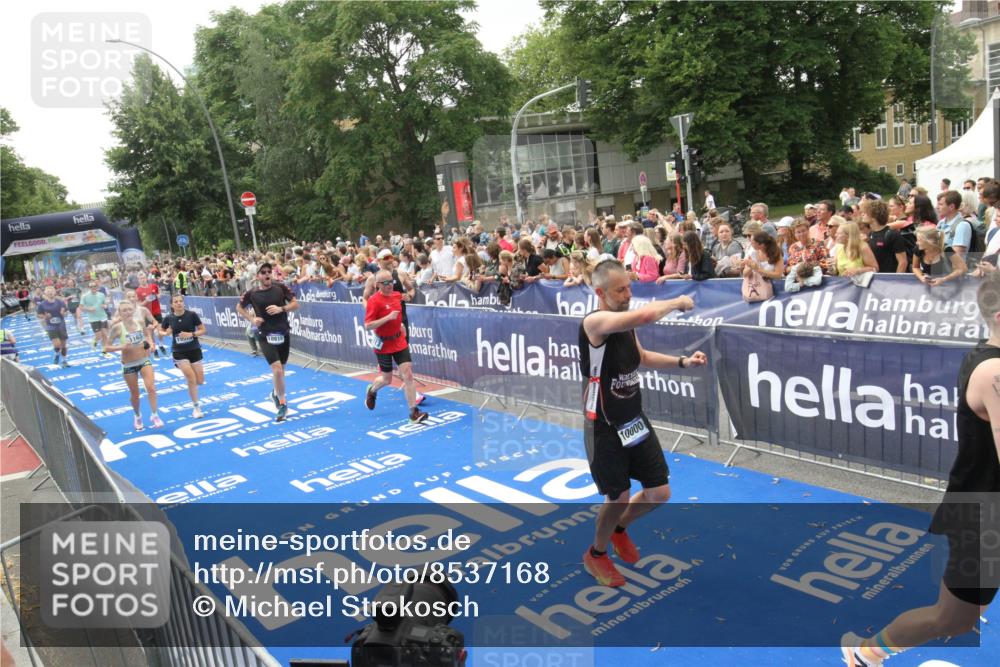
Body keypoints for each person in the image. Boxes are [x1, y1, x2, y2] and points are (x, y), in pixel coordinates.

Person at [841, 273, 1000, 667]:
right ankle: (865, 653)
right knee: (954, 618)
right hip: (984, 518)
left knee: (958, 617)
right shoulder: (992, 372)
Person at [579, 259, 707, 587]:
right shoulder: (596, 323)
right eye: (620, 289)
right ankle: (596, 553)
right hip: (604, 425)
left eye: (629, 287)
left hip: (632, 420)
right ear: (600, 292)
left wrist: (683, 362)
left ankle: (619, 530)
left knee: (659, 492)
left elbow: (643, 357)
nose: (628, 294)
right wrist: (677, 302)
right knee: (618, 495)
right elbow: (647, 314)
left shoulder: (625, 325)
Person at [364, 270, 428, 424]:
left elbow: (406, 299)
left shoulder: (396, 295)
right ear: (378, 285)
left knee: (408, 375)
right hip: (383, 344)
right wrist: (387, 318)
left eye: (391, 281)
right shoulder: (374, 301)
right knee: (387, 379)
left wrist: (400, 324)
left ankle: (414, 412)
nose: (389, 285)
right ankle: (372, 391)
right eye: (385, 283)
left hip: (399, 341)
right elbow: (368, 326)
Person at [237, 263, 299, 422]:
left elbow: (295, 304)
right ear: (257, 276)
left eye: (268, 272)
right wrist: (252, 319)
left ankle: (275, 394)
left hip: (283, 332)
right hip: (264, 334)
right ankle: (283, 404)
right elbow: (239, 307)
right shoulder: (252, 293)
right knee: (277, 370)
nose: (267, 275)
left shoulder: (280, 288)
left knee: (281, 371)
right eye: (263, 272)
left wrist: (281, 309)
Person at [105, 301, 162, 431]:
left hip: (143, 360)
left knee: (151, 388)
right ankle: (137, 415)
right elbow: (106, 347)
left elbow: (147, 335)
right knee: (135, 394)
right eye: (124, 310)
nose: (127, 312)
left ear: (133, 310)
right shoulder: (117, 328)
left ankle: (155, 415)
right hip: (128, 364)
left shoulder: (140, 322)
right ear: (120, 313)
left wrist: (151, 343)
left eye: (129, 309)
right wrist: (121, 347)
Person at [159, 293, 207, 419]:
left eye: (181, 301)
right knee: (190, 378)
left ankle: (194, 390)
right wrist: (165, 332)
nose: (179, 303)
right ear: (171, 304)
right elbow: (161, 331)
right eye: (176, 302)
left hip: (194, 349)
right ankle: (196, 407)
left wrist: (191, 334)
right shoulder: (168, 318)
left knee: (200, 380)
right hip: (179, 351)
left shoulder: (191, 315)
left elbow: (203, 330)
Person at [864, 200, 908, 273]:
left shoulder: (893, 234)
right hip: (874, 278)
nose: (863, 215)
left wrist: (896, 281)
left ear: (873, 217)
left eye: (865, 213)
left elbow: (903, 262)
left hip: (889, 279)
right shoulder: (869, 234)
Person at [36, 286, 70, 368]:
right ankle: (57, 353)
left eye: (52, 291)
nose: (50, 292)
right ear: (45, 293)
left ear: (55, 292)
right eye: (48, 291)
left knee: (64, 346)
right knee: (57, 344)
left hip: (61, 326)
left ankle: (64, 360)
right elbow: (38, 315)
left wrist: (63, 313)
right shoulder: (42, 305)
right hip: (50, 326)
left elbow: (66, 312)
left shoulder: (61, 302)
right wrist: (45, 316)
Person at [135, 273, 168, 357]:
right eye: (140, 278)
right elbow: (138, 305)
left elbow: (159, 294)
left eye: (143, 278)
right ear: (138, 280)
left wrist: (158, 295)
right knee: (151, 332)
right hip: (147, 314)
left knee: (160, 330)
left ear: (146, 278)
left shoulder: (153, 286)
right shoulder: (138, 291)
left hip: (157, 311)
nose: (142, 279)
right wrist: (146, 301)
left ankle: (161, 345)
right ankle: (155, 348)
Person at [80, 280, 110, 352]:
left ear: (97, 287)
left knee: (105, 334)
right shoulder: (85, 296)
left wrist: (105, 306)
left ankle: (104, 349)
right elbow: (81, 307)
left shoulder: (101, 295)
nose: (93, 288)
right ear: (88, 288)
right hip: (93, 319)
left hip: (103, 317)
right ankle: (94, 342)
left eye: (94, 286)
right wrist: (88, 309)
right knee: (98, 336)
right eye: (91, 287)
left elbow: (105, 304)